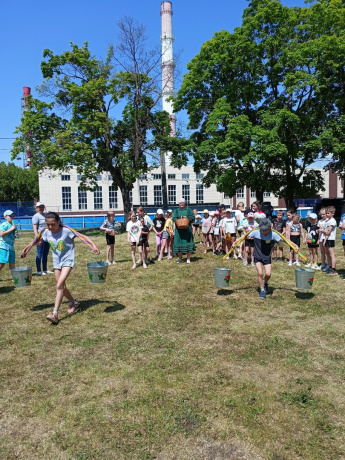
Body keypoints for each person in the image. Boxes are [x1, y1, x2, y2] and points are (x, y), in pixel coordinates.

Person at [21, 212, 100, 324]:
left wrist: (93, 246)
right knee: (62, 287)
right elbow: (35, 239)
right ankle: (74, 302)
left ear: (58, 222)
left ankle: (55, 314)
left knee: (59, 286)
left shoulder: (66, 230)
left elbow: (83, 237)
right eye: (48, 224)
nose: (50, 227)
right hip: (56, 262)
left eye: (53, 224)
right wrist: (26, 250)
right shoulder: (46, 232)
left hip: (68, 261)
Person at [233, 218, 294, 299]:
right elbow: (244, 237)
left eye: (266, 230)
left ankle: (264, 282)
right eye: (263, 230)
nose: (264, 231)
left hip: (267, 256)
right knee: (260, 273)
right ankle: (262, 290)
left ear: (270, 227)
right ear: (259, 227)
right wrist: (235, 242)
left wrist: (294, 245)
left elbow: (285, 240)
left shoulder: (273, 234)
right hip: (257, 255)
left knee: (268, 274)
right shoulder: (255, 232)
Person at [32, 202, 53, 275]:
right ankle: (38, 271)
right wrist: (37, 239)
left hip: (47, 238)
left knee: (45, 254)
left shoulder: (45, 216)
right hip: (40, 238)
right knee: (39, 254)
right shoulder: (36, 216)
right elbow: (35, 228)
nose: (41, 208)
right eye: (39, 207)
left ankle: (44, 269)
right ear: (36, 208)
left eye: (42, 207)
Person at [172, 198, 195, 263]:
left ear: (184, 203)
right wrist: (179, 219)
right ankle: (180, 258)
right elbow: (174, 218)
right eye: (180, 203)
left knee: (188, 243)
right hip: (179, 230)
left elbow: (193, 217)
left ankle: (188, 258)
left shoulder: (189, 210)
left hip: (187, 230)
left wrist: (186, 218)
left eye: (182, 203)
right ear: (178, 204)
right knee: (178, 243)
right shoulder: (176, 210)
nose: (181, 204)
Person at [318, 206, 337, 275]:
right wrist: (325, 240)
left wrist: (321, 230)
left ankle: (334, 269)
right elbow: (326, 233)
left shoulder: (332, 221)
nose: (326, 215)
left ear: (332, 213)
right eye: (326, 213)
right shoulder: (328, 221)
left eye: (328, 213)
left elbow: (328, 232)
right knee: (327, 254)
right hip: (327, 239)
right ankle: (329, 266)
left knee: (332, 254)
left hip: (331, 239)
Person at [0, 210, 17, 275]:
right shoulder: (3, 225)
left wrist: (16, 234)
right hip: (3, 247)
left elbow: (14, 236)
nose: (12, 217)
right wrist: (11, 229)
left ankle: (15, 277)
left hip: (11, 247)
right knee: (2, 263)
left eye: (13, 216)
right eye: (10, 216)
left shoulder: (13, 225)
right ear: (5, 217)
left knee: (12, 263)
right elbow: (1, 234)